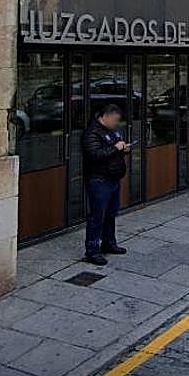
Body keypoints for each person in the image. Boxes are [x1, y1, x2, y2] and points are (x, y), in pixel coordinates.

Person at [81, 103, 130, 265]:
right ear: (106, 116)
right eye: (115, 120)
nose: (117, 123)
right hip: (99, 180)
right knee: (97, 216)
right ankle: (92, 251)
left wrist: (124, 148)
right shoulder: (92, 133)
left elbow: (116, 148)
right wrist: (115, 148)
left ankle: (109, 243)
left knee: (111, 214)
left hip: (113, 179)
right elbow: (95, 155)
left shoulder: (113, 131)